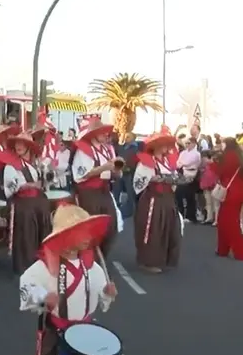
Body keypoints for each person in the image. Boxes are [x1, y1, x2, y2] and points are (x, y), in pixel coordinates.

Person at [19, 205, 117, 355]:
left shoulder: (92, 266)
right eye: (82, 232)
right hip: (57, 332)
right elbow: (26, 284)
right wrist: (43, 297)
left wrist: (107, 294)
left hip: (85, 332)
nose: (89, 236)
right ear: (66, 235)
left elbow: (100, 299)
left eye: (89, 231)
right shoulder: (47, 266)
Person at [132, 130, 183, 273]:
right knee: (153, 229)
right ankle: (149, 261)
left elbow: (174, 178)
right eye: (164, 144)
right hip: (153, 199)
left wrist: (175, 181)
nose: (167, 147)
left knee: (169, 228)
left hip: (168, 199)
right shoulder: (147, 162)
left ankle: (164, 259)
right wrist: (151, 179)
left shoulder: (168, 161)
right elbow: (138, 182)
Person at [70, 117, 122, 258]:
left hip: (104, 191)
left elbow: (115, 172)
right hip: (89, 193)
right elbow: (83, 174)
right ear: (92, 134)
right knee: (91, 227)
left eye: (105, 132)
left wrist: (117, 170)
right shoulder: (84, 150)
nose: (105, 135)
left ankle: (100, 257)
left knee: (111, 226)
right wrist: (104, 167)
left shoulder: (108, 150)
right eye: (101, 132)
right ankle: (89, 259)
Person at [2, 131, 52, 274]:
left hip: (39, 202)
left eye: (22, 144)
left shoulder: (36, 164)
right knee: (26, 235)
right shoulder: (11, 166)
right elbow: (11, 187)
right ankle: (26, 266)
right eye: (17, 144)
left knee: (43, 231)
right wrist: (30, 185)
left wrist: (45, 178)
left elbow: (44, 183)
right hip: (23, 203)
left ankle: (42, 262)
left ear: (29, 147)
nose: (19, 146)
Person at [213, 137, 243, 260]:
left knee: (227, 222)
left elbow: (221, 171)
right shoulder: (239, 155)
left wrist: (213, 163)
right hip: (238, 190)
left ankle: (236, 250)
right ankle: (224, 249)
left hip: (230, 192)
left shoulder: (228, 157)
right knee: (229, 220)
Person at [176, 136, 201, 223]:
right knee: (179, 194)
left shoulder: (197, 154)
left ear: (194, 144)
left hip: (192, 173)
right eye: (186, 143)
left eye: (189, 143)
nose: (187, 145)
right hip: (183, 172)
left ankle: (191, 216)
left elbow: (188, 162)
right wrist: (182, 164)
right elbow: (178, 162)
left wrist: (183, 163)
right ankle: (181, 214)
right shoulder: (183, 152)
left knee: (190, 196)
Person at [199, 150, 219, 225]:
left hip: (213, 186)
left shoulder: (214, 165)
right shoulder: (206, 166)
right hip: (207, 186)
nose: (203, 160)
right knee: (209, 203)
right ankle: (209, 217)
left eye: (204, 158)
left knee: (215, 204)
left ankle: (216, 219)